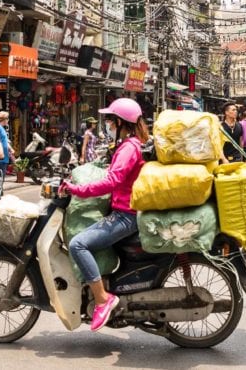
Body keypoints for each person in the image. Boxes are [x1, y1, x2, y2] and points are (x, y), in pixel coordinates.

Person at [61, 98, 147, 332]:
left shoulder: (129, 147)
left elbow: (112, 181)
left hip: (126, 216)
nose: (107, 125)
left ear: (119, 122)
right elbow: (112, 172)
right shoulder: (130, 145)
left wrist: (77, 189)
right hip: (126, 212)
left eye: (109, 120)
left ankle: (102, 298)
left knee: (78, 244)